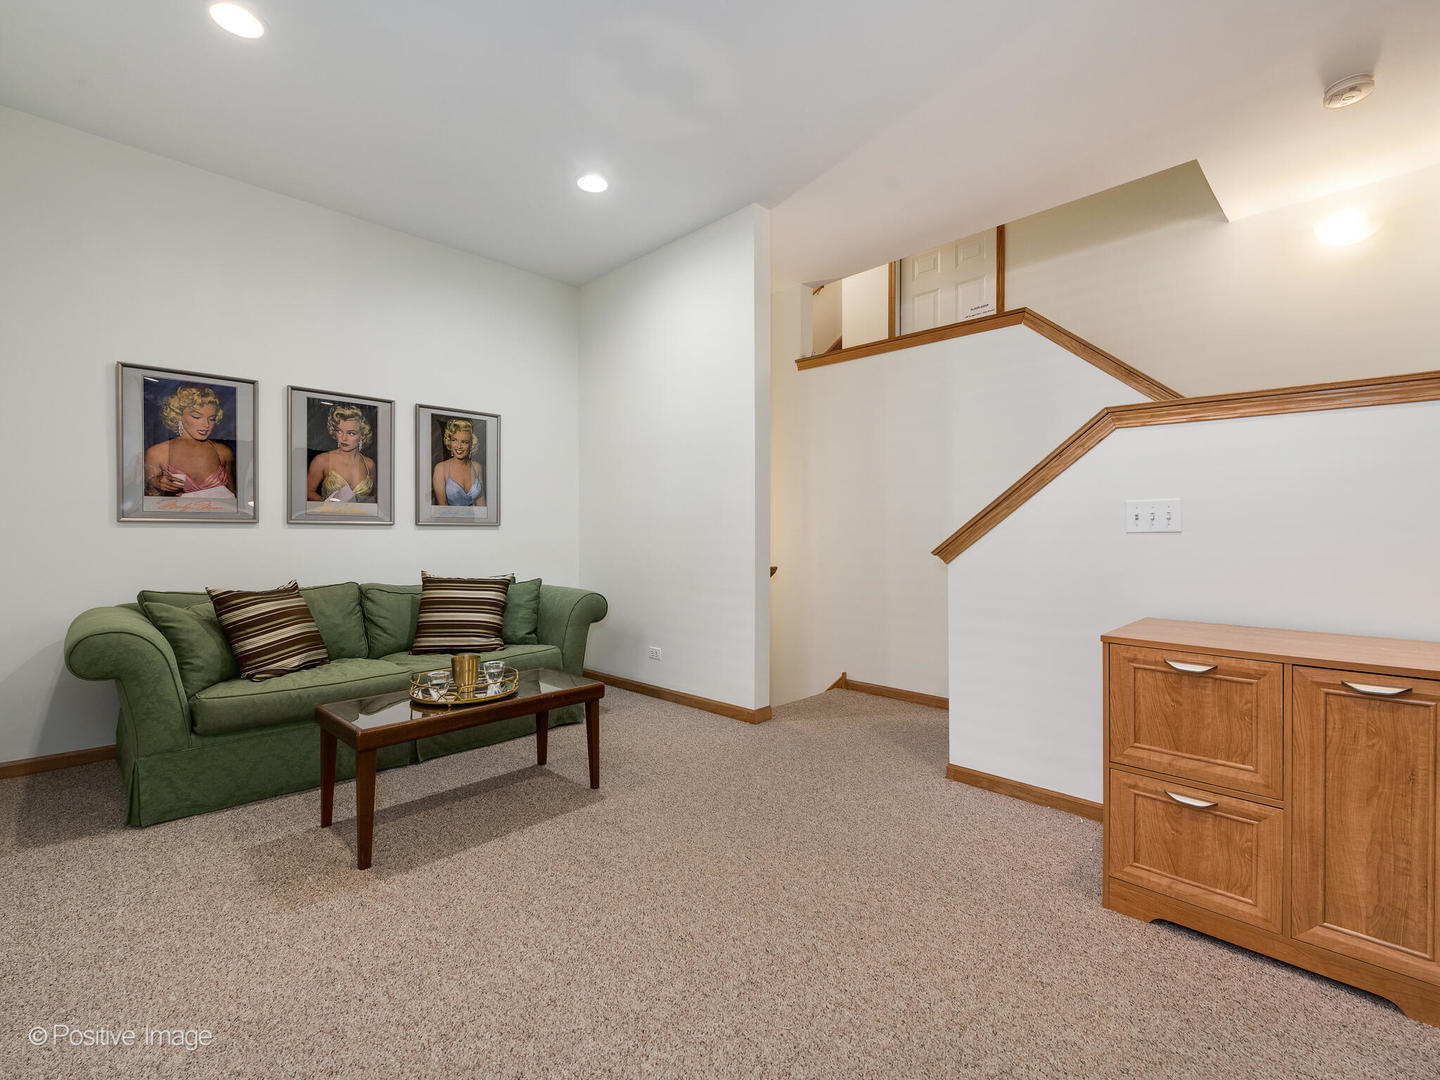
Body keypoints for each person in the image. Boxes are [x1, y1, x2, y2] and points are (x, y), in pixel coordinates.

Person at [143, 385, 235, 497]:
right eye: (197, 417)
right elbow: (149, 503)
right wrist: (155, 483)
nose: (206, 425)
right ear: (178, 415)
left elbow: (234, 499)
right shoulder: (157, 453)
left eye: (211, 418)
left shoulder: (223, 452)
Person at [305, 404, 376, 502]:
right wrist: (327, 504)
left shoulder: (369, 464)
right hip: (329, 516)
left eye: (351, 433)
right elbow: (307, 492)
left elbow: (374, 498)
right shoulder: (322, 460)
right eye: (339, 431)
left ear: (362, 435)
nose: (344, 438)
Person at [432, 417, 484, 506]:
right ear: (449, 441)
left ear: (471, 444)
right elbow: (442, 507)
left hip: (475, 519)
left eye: (464, 442)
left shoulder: (477, 467)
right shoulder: (441, 468)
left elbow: (482, 505)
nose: (459, 446)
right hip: (448, 519)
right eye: (454, 440)